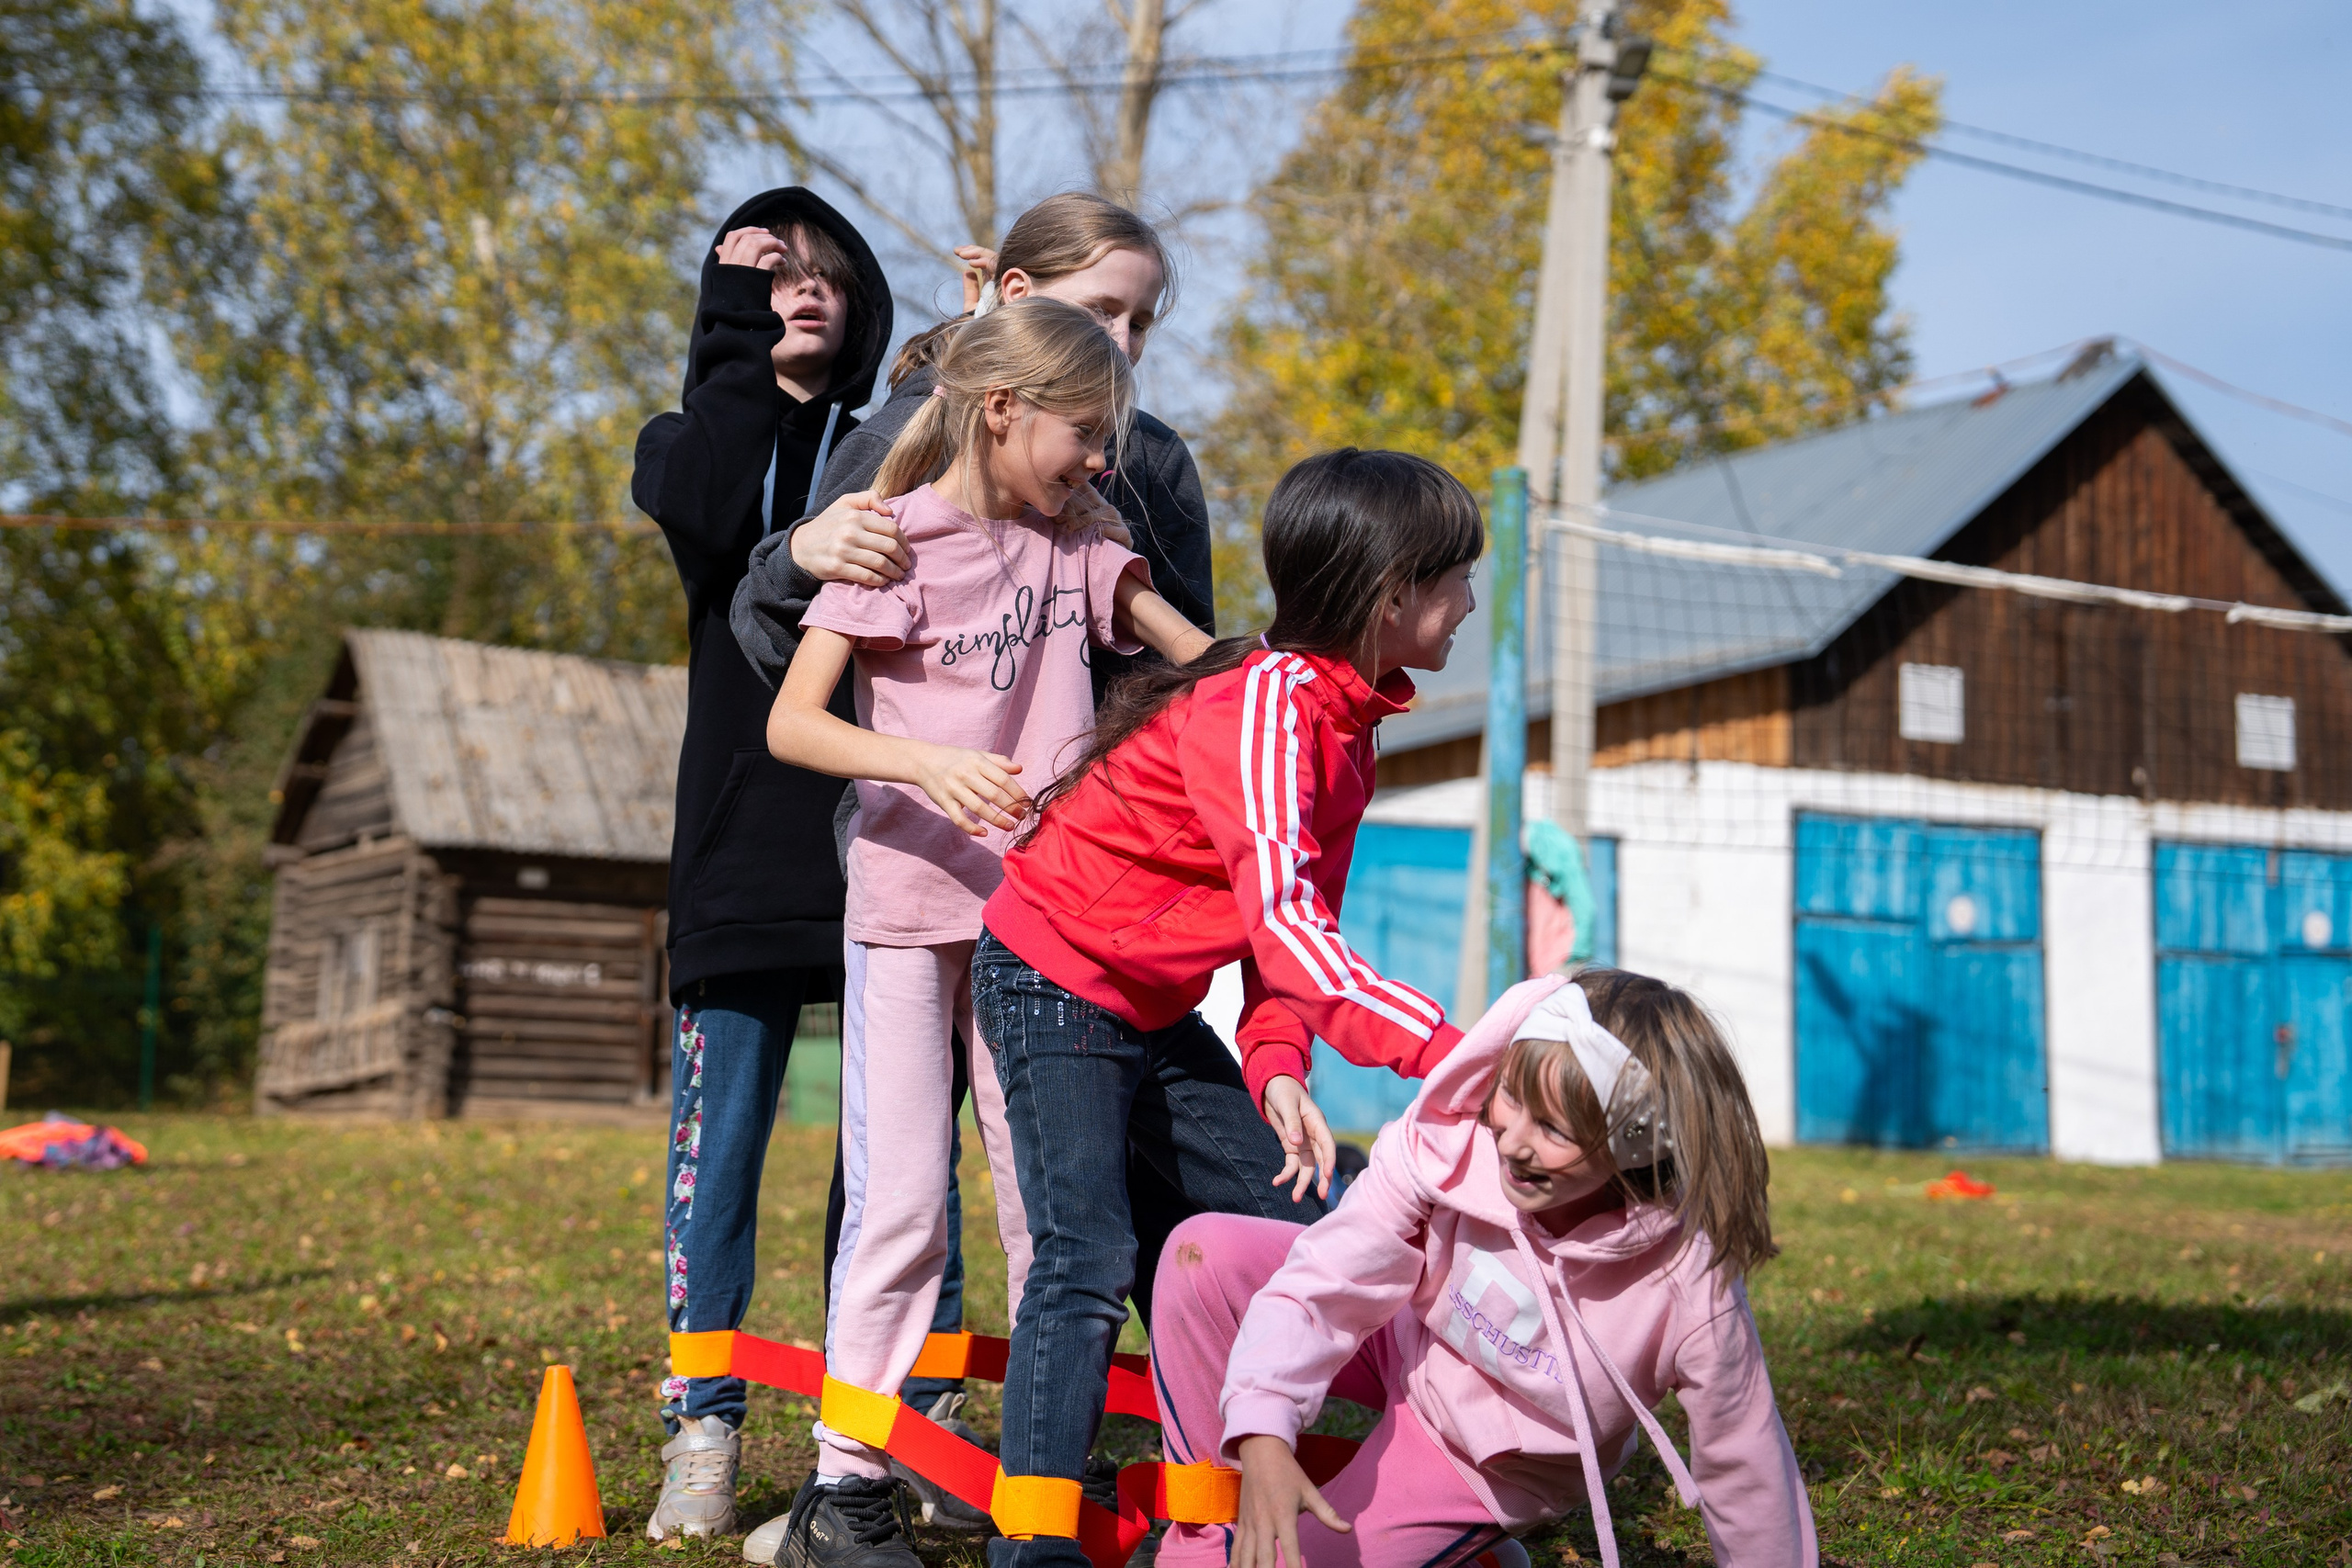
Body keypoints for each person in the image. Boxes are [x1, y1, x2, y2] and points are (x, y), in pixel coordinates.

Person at [728, 192, 1217, 1522]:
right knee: (901, 1211)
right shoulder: (897, 533)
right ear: (1003, 407)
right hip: (903, 910)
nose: (1103, 463)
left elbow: (1203, 662)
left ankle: (1046, 1475)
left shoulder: (1084, 552)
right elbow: (793, 719)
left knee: (1059, 1216)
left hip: (1042, 936)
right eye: (1085, 435)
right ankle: (849, 1483)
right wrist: (925, 763)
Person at [969, 448, 1487, 1568]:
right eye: (1455, 581)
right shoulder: (1262, 707)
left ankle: (1223, 1514)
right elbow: (1293, 930)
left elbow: (1288, 940)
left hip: (1150, 1007)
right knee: (1087, 1255)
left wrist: (1279, 1065)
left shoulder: (1348, 733)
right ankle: (1032, 1546)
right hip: (1050, 976)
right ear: (1391, 591)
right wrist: (1467, 1060)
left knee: (1298, 1229)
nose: (1470, 605)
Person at [1148, 969, 1814, 1568]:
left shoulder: (1687, 1285)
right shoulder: (1452, 1140)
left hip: (1483, 1456)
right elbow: (1329, 1273)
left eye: (1555, 1128)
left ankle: (1459, 1548)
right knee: (1204, 1254)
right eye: (1513, 1098)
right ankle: (1209, 1536)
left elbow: (1743, 1462)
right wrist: (1263, 1425)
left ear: (1634, 1144)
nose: (1516, 1141)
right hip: (1406, 1331)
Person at [630, 187, 891, 1545]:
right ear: (729, 306)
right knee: (716, 1153)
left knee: (886, 1163)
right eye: (770, 274)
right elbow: (705, 503)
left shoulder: (885, 447)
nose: (802, 288)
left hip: (882, 843)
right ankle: (705, 1430)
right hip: (736, 846)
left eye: (826, 276)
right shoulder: (690, 436)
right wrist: (728, 336)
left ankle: (874, 1437)